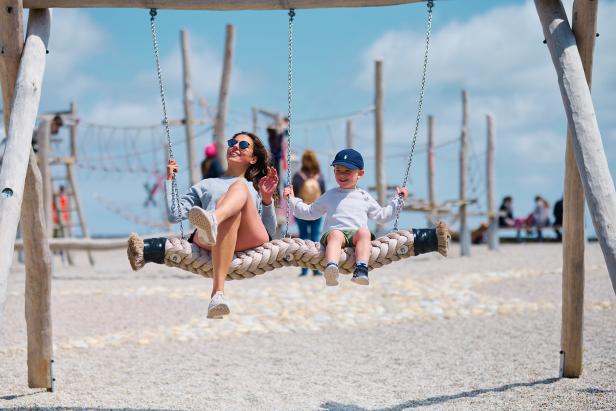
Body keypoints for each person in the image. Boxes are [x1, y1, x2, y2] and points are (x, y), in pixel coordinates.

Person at [164, 132, 279, 319]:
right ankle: (217, 295)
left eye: (243, 145)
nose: (235, 146)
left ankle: (214, 219)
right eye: (233, 142)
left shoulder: (255, 187)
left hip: (246, 239)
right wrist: (169, 180)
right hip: (211, 239)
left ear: (253, 159)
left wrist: (266, 200)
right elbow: (174, 215)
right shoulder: (206, 185)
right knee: (230, 215)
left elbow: (270, 232)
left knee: (239, 187)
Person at [283, 148, 408, 287]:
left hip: (356, 235)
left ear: (360, 173)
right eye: (338, 170)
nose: (342, 175)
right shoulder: (330, 195)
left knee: (364, 232)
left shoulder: (364, 196)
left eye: (347, 171)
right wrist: (292, 200)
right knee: (336, 234)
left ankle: (361, 269)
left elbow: (382, 216)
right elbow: (310, 212)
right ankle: (331, 267)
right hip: (334, 233)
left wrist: (398, 201)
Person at [292, 150, 326, 277]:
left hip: (301, 210)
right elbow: (323, 193)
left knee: (303, 239)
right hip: (316, 210)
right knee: (315, 238)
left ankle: (304, 269)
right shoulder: (320, 176)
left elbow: (294, 194)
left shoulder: (297, 176)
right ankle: (316, 269)